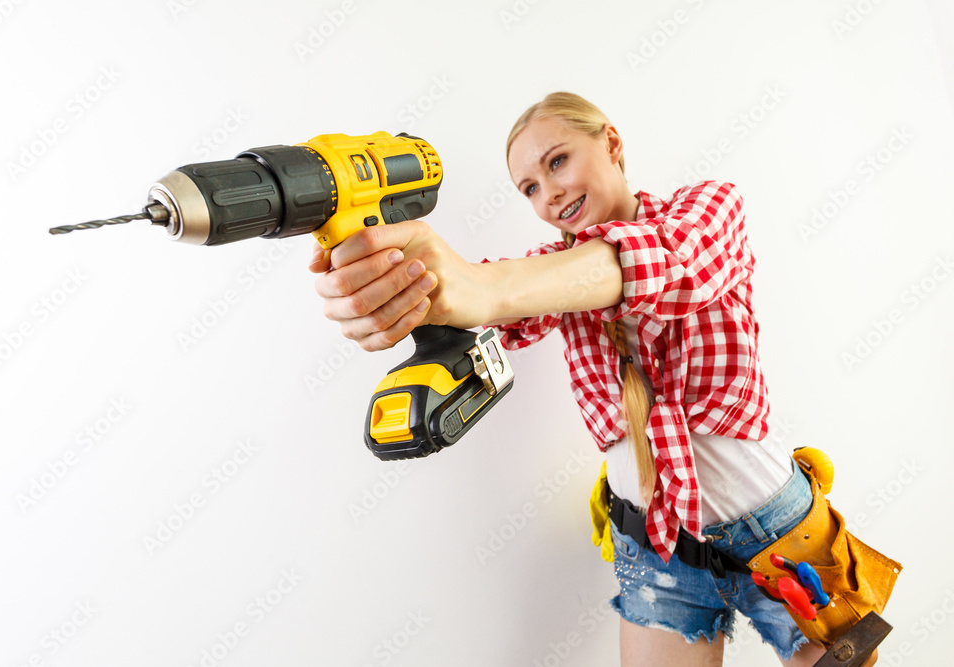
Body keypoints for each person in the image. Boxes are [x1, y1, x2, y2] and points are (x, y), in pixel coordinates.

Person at [308, 92, 846, 666]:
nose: (550, 192)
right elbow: (490, 301)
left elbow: (672, 264)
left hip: (774, 533)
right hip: (656, 546)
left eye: (557, 161)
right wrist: (400, 281)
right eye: (530, 188)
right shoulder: (547, 274)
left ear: (611, 143)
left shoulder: (709, 210)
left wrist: (484, 288)